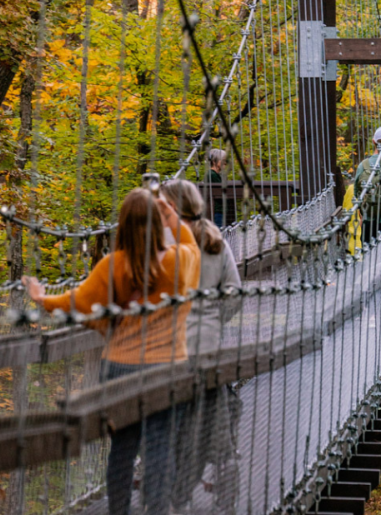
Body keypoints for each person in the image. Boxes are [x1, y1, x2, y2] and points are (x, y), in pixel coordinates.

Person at [22, 188, 200, 515]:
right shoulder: (179, 260)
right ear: (157, 223)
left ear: (123, 225)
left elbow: (74, 303)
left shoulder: (111, 266)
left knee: (122, 447)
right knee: (161, 446)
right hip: (166, 368)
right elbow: (191, 244)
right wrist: (171, 213)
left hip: (119, 368)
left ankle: (119, 511)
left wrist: (41, 298)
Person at [162, 179, 242, 514]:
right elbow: (234, 291)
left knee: (176, 421)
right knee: (213, 413)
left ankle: (174, 491)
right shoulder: (216, 240)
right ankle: (221, 467)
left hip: (169, 349)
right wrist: (214, 320)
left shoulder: (162, 241)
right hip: (208, 347)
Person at [206, 148, 227, 227]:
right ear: (215, 161)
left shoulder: (214, 174)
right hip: (216, 212)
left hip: (218, 211)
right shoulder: (212, 175)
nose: (225, 162)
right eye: (223, 160)